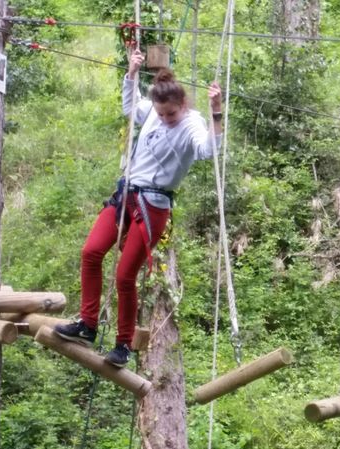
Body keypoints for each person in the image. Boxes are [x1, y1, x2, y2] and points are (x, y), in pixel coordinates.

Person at [55, 49, 223, 367]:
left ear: (182, 105)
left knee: (124, 275)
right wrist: (131, 73)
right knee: (91, 252)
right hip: (127, 195)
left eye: (170, 115)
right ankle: (87, 325)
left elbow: (208, 151)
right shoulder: (154, 111)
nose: (165, 119)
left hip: (154, 206)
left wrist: (216, 110)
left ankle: (123, 344)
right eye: (161, 114)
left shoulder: (191, 124)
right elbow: (131, 107)